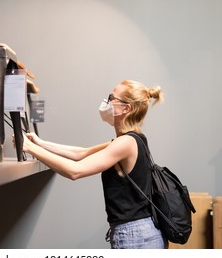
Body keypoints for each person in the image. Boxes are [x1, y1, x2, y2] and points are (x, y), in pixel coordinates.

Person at [20, 79, 167, 249]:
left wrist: (30, 149)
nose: (107, 101)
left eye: (112, 97)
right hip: (142, 232)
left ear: (127, 108)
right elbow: (81, 153)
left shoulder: (125, 143)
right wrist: (39, 143)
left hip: (135, 235)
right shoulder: (133, 139)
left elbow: (75, 171)